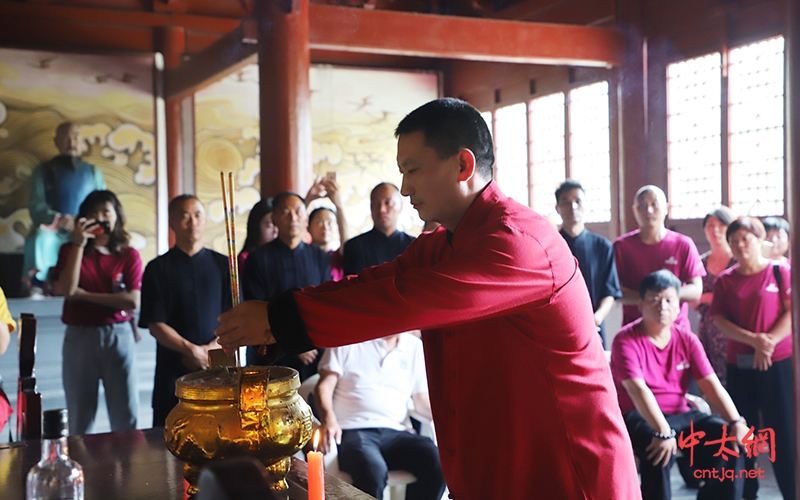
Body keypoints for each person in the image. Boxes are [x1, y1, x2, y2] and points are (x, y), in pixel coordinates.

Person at [215, 98, 641, 499]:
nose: (403, 188)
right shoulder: (443, 243)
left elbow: (403, 299)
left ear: (462, 164)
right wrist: (277, 312)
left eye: (413, 170)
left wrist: (277, 319)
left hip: (564, 466)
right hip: (495, 460)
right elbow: (375, 283)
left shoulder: (518, 242)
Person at [611, 270, 746, 500]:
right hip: (640, 415)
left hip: (681, 413)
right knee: (659, 451)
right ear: (641, 304)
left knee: (730, 440)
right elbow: (638, 390)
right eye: (654, 300)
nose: (662, 306)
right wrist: (663, 432)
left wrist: (736, 422)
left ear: (678, 306)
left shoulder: (687, 339)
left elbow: (712, 385)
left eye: (668, 300)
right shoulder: (625, 340)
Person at [711, 217, 794, 500]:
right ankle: (746, 493)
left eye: (746, 238)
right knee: (745, 433)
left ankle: (792, 491)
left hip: (778, 363)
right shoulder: (725, 280)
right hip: (741, 366)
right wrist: (754, 341)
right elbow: (720, 319)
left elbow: (791, 312)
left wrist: (766, 343)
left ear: (760, 240)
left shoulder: (781, 272)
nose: (740, 245)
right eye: (734, 241)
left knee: (783, 433)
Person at [52, 190, 141, 435]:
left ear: (116, 217)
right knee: (80, 416)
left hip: (119, 335)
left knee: (126, 415)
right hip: (80, 337)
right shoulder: (71, 251)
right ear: (84, 219)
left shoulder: (128, 254)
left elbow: (132, 300)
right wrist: (80, 244)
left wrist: (84, 296)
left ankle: (129, 472)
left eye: (106, 212)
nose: (100, 218)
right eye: (93, 214)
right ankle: (81, 471)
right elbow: (68, 290)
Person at [138, 195, 232, 427]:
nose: (192, 222)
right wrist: (192, 350)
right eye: (185, 216)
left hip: (218, 365)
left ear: (205, 220)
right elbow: (155, 324)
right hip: (173, 367)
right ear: (171, 222)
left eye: (198, 215)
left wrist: (211, 349)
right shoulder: (157, 268)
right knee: (169, 436)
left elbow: (234, 317)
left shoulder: (224, 265)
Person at [316, 333, 446, 499]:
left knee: (438, 463)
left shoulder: (414, 346)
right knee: (372, 471)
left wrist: (447, 419)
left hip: (396, 432)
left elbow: (420, 400)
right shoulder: (347, 338)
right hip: (353, 431)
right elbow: (324, 386)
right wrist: (328, 418)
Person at [242, 191, 331, 379]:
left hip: (313, 352)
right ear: (274, 218)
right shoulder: (257, 258)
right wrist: (294, 345)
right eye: (285, 212)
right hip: (273, 354)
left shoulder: (319, 257)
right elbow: (259, 307)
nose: (293, 218)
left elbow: (325, 303)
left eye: (298, 212)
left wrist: (307, 344)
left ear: (305, 217)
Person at [24, 122, 106, 295]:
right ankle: (37, 286)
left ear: (83, 142)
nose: (72, 142)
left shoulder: (92, 172)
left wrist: (84, 223)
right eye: (66, 137)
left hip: (84, 229)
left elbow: (103, 203)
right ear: (56, 141)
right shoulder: (42, 171)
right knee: (39, 238)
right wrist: (58, 219)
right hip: (54, 231)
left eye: (76, 137)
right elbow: (36, 206)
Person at [614, 185, 705, 330]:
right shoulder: (621, 246)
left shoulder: (683, 244)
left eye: (654, 204)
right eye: (642, 205)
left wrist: (663, 296)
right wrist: (648, 298)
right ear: (634, 210)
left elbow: (696, 290)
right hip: (635, 331)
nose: (648, 210)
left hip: (676, 330)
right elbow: (615, 291)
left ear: (666, 208)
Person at [555, 179, 622, 345]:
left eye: (578, 201)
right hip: (556, 325)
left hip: (594, 325)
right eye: (566, 202)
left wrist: (595, 319)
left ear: (586, 205)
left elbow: (609, 292)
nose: (573, 207)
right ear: (558, 208)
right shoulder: (551, 244)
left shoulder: (602, 246)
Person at [691, 206, 736, 386]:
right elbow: (692, 297)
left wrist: (710, 298)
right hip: (707, 328)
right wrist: (708, 299)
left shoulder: (738, 261)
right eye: (710, 225)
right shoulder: (699, 263)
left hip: (733, 327)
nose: (715, 230)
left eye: (721, 225)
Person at [342, 183, 414, 276]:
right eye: (375, 204)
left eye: (388, 203)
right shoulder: (354, 246)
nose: (382, 209)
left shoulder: (413, 246)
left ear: (400, 206)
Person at [306, 177, 349, 282]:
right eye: (319, 222)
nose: (325, 227)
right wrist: (308, 200)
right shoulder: (303, 254)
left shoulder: (338, 256)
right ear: (308, 227)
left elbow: (348, 246)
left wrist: (339, 207)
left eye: (330, 223)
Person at [238, 198, 277, 271]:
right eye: (269, 226)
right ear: (256, 226)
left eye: (278, 225)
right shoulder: (245, 258)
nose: (275, 231)